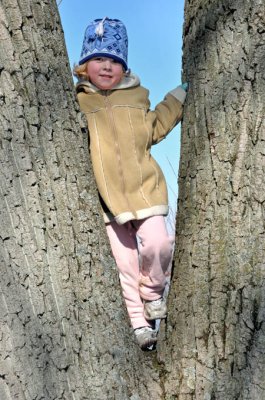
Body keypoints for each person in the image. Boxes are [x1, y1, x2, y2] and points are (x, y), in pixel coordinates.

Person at [74, 17, 188, 350]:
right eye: (98, 59)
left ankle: (152, 293)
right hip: (108, 200)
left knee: (158, 244)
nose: (106, 66)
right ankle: (141, 325)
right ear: (84, 65)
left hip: (145, 190)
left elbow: (156, 126)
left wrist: (178, 96)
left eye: (114, 60)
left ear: (124, 67)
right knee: (124, 264)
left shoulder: (137, 99)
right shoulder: (79, 103)